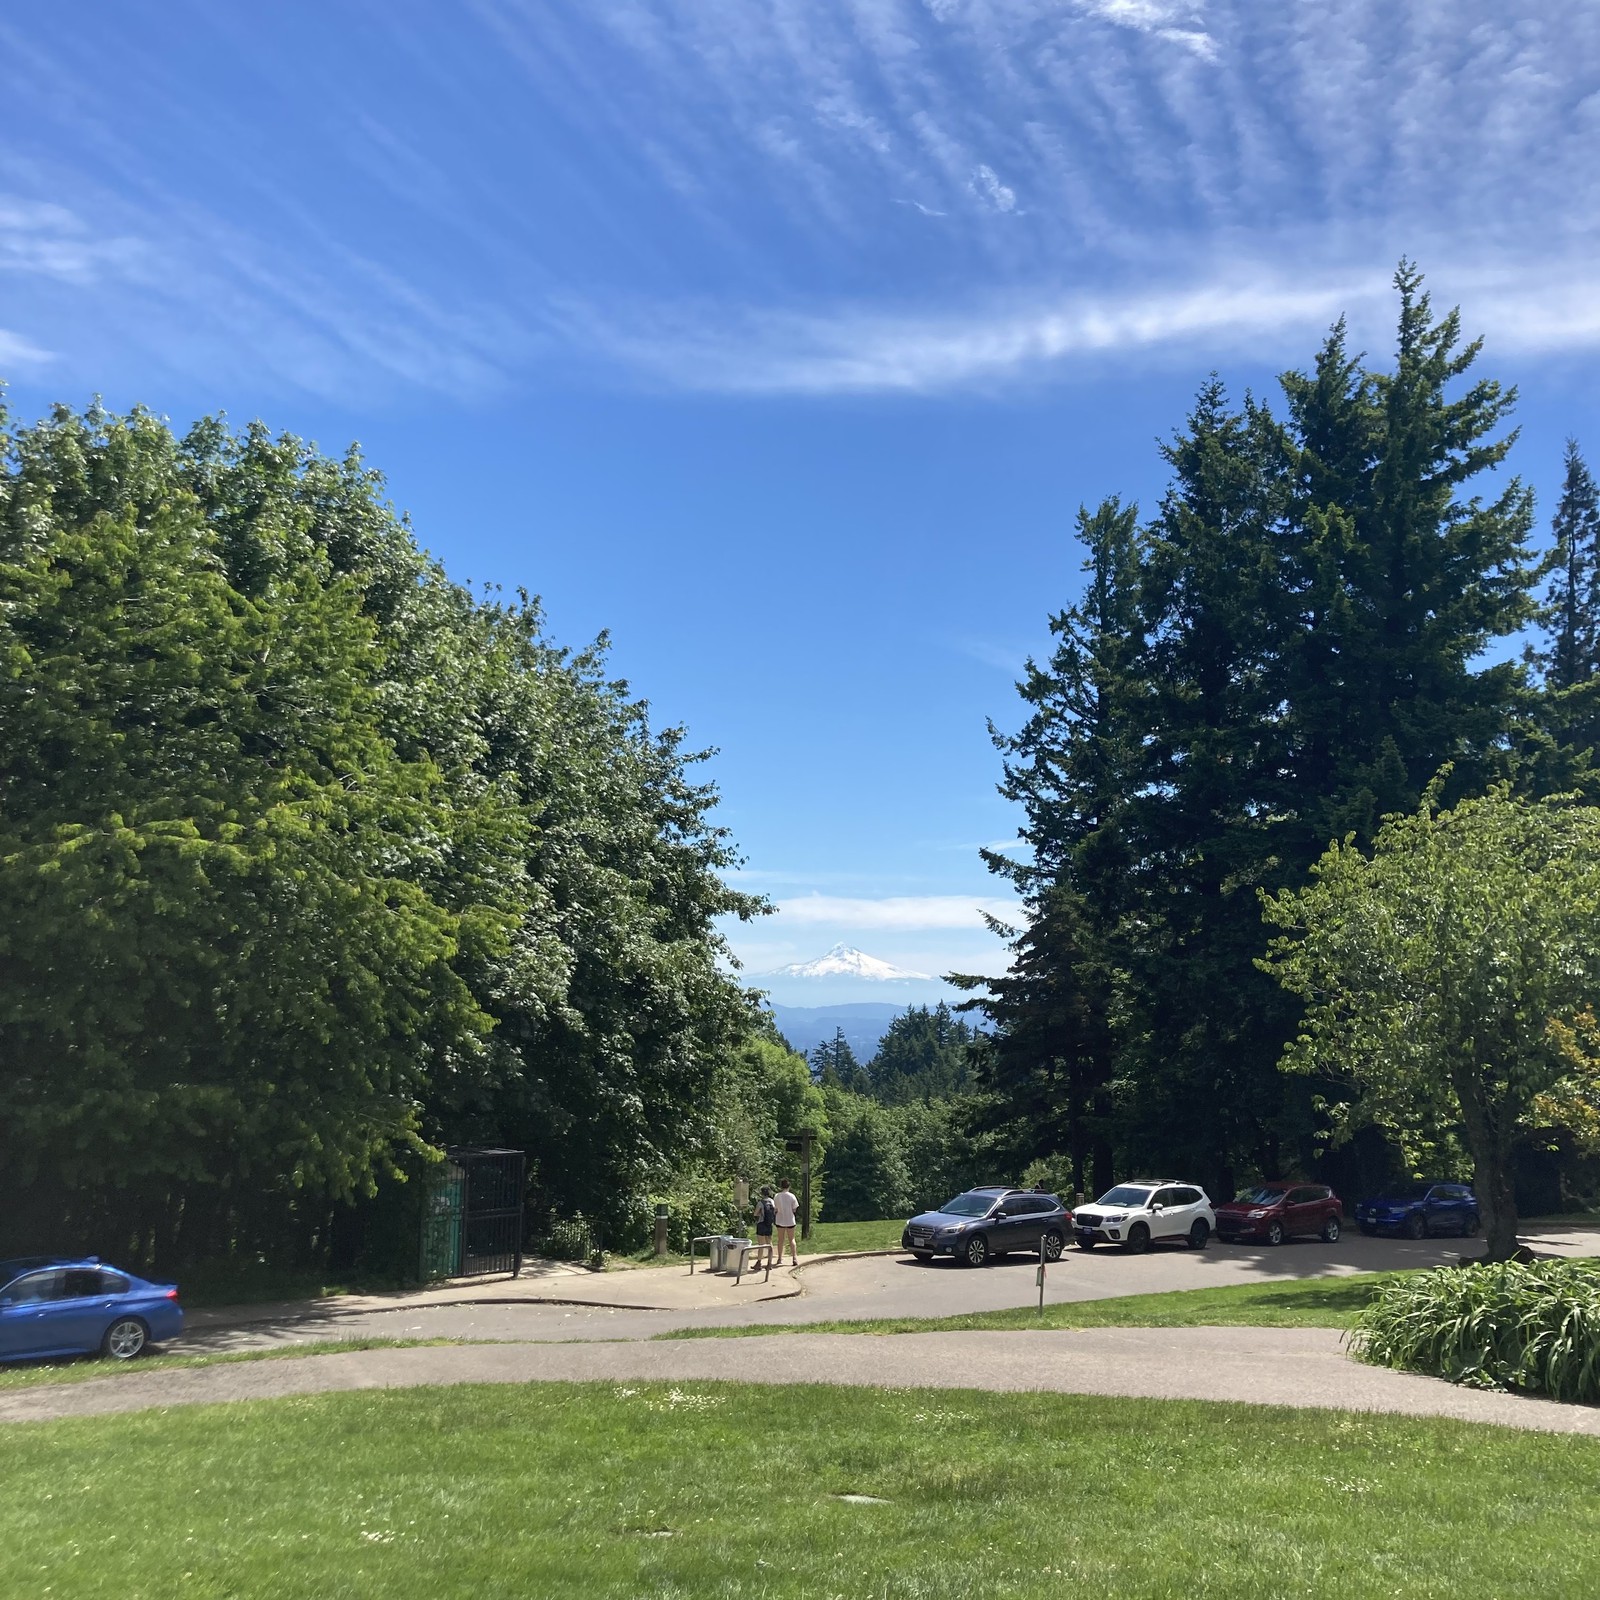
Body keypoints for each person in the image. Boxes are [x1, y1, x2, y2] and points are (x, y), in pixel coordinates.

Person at [772, 1179, 800, 1265]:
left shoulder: (777, 1196)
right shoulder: (792, 1196)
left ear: (781, 1186)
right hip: (790, 1220)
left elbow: (775, 1208)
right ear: (789, 1186)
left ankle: (780, 1258)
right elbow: (794, 1208)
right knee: (792, 1239)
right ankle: (794, 1257)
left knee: (780, 1239)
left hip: (780, 1219)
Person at [754, 1185, 777, 1262]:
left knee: (761, 1244)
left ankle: (759, 1262)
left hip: (761, 1224)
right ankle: (769, 1262)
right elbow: (775, 1211)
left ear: (761, 1193)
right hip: (769, 1224)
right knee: (769, 1243)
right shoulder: (772, 1201)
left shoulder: (761, 1202)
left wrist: (760, 1213)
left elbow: (756, 1213)